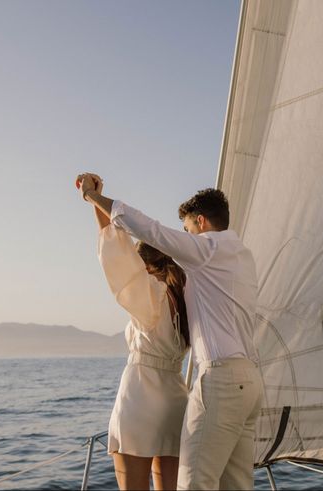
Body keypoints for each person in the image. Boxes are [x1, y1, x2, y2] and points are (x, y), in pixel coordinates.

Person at [76, 172, 263, 490]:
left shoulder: (161, 289)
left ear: (201, 222)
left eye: (189, 230)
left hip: (147, 399)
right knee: (235, 484)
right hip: (201, 394)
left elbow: (122, 254)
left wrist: (94, 199)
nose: (187, 237)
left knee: (193, 485)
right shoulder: (213, 278)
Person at [82, 175, 190, 490]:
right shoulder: (183, 300)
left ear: (143, 264)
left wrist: (93, 200)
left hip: (141, 399)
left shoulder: (150, 294)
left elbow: (115, 255)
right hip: (175, 401)